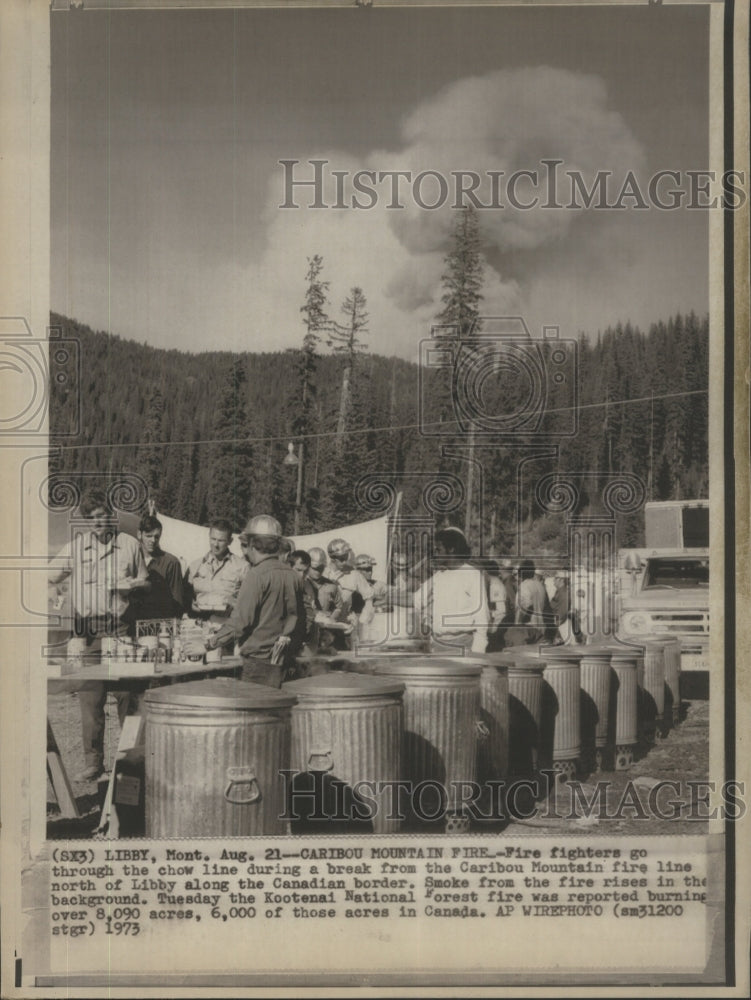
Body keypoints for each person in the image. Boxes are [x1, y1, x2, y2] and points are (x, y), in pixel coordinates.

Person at [48, 489, 148, 782]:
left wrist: (134, 586)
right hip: (87, 631)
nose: (99, 522)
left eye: (103, 516)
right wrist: (57, 596)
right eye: (92, 519)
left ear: (110, 515)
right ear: (86, 522)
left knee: (126, 695)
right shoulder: (75, 548)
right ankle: (93, 764)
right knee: (91, 699)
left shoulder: (129, 545)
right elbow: (49, 576)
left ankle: (131, 762)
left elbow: (145, 582)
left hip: (119, 628)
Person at [204, 515, 305, 687]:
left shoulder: (256, 575)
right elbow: (300, 619)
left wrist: (210, 643)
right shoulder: (293, 575)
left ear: (252, 544)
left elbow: (240, 622)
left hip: (258, 664)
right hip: (285, 661)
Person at [414, 527, 490, 654]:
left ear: (451, 549)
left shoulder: (473, 575)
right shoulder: (438, 576)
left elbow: (482, 619)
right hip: (437, 645)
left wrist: (477, 653)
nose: (435, 554)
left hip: (462, 645)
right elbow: (416, 600)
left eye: (438, 550)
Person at [185, 518, 247, 624]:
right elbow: (185, 596)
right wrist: (190, 604)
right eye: (213, 539)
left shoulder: (242, 567)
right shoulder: (195, 566)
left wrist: (232, 604)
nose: (216, 544)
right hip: (199, 625)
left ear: (230, 541)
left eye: (221, 540)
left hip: (227, 627)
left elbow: (249, 603)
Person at [130, 514, 185, 622]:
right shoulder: (129, 559)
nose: (153, 540)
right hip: (131, 624)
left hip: (159, 625)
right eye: (148, 536)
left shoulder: (171, 562)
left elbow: (177, 600)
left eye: (156, 536)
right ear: (139, 534)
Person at [326, 538, 374, 620]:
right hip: (324, 620)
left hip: (345, 620)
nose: (345, 562)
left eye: (346, 557)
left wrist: (364, 616)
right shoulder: (323, 573)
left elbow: (369, 596)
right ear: (332, 558)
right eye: (341, 559)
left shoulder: (354, 574)